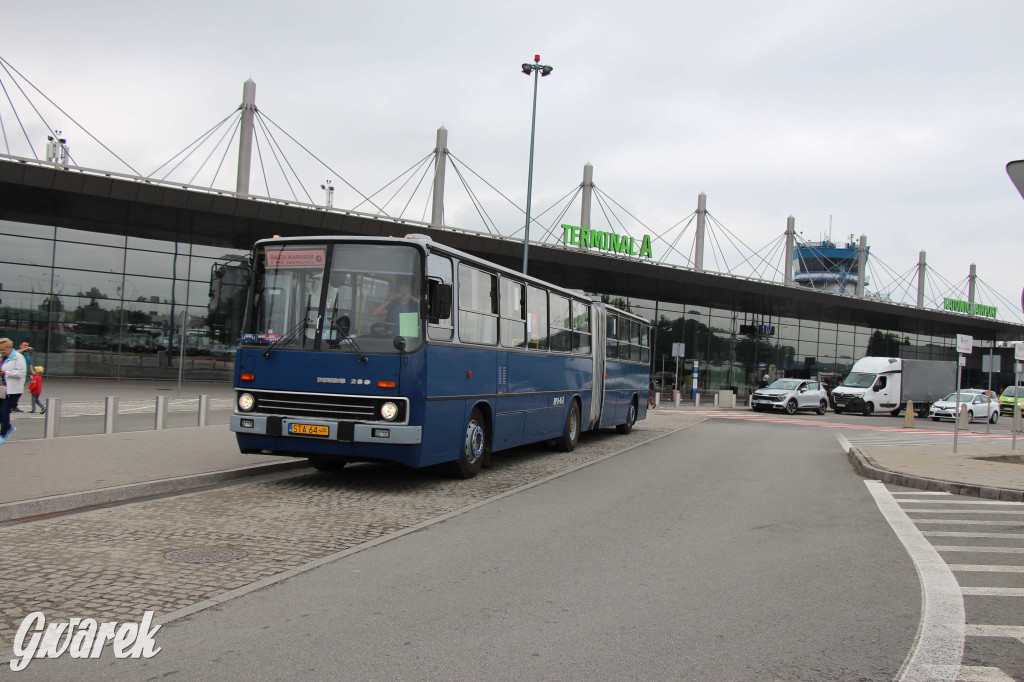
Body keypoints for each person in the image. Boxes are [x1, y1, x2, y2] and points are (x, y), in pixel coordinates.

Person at [0, 338, 27, 443]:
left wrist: (5, 373)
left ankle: (3, 434)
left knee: (4, 411)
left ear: (9, 348)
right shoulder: (1, 357)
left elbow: (21, 373)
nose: (1, 352)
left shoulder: (18, 358)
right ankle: (8, 427)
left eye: (3, 349)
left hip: (13, 390)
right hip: (2, 389)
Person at [12, 340, 33, 412]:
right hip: (17, 375)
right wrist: (24, 350)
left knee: (19, 391)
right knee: (14, 391)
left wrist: (32, 372)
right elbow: (15, 353)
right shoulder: (18, 353)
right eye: (25, 345)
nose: (26, 347)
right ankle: (12, 405)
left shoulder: (26, 355)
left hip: (24, 376)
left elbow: (30, 363)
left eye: (27, 345)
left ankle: (14, 405)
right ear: (21, 346)